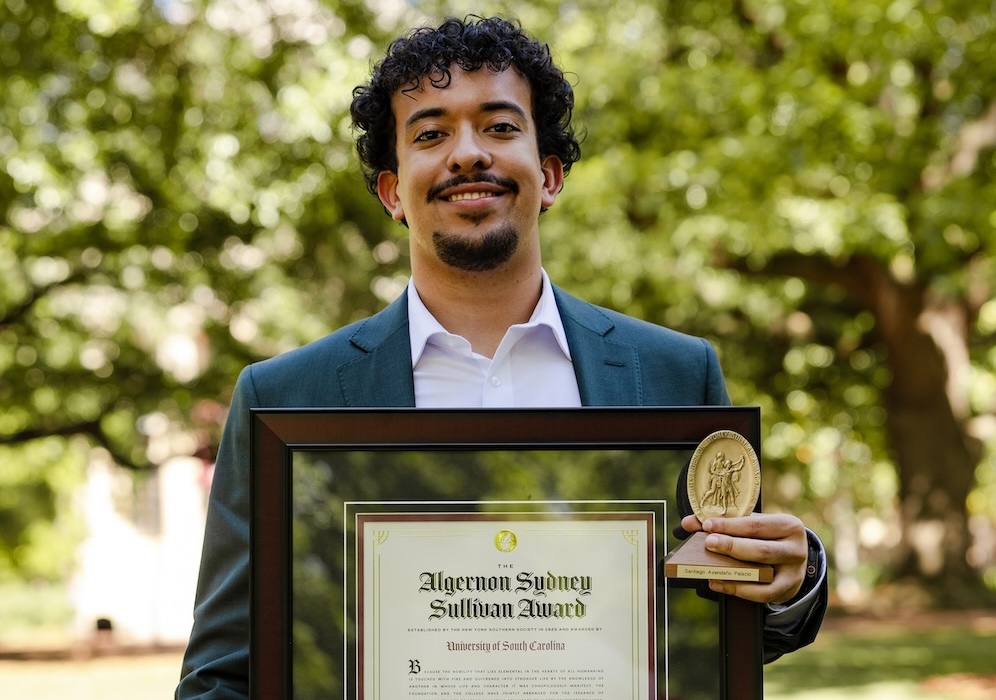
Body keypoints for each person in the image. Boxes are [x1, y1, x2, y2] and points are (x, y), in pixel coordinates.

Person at [176, 15, 827, 698]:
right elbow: (223, 674)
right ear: (393, 192)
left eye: (500, 126)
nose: (466, 154)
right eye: (430, 134)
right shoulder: (284, 401)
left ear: (549, 176)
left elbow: (707, 635)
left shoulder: (673, 373)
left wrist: (791, 579)